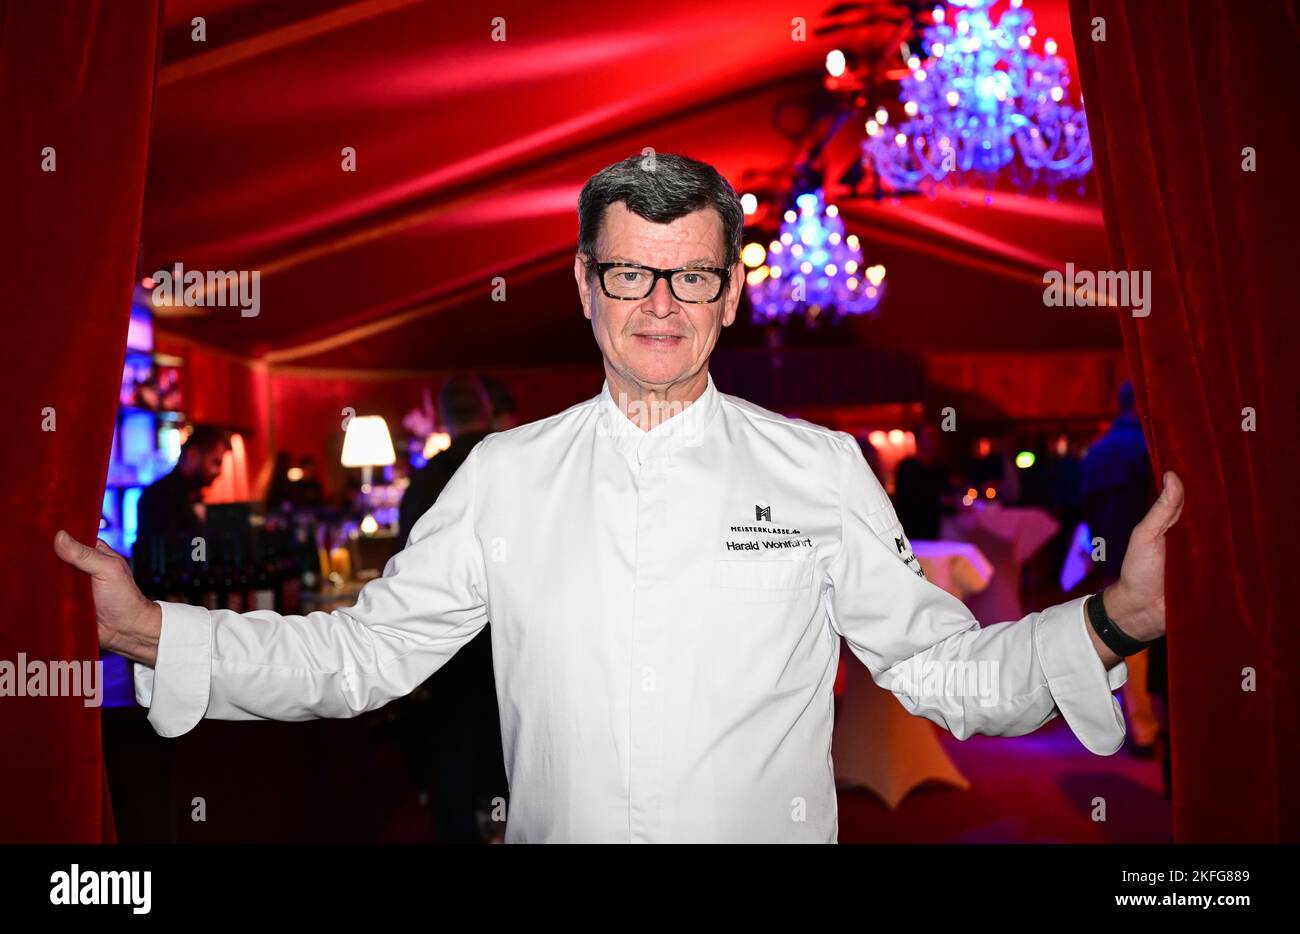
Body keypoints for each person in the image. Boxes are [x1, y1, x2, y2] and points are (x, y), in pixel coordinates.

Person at [57, 153, 1185, 843]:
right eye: (630, 271)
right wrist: (155, 631)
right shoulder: (501, 477)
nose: (660, 301)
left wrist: (1113, 620)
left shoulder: (819, 471)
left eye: (691, 272)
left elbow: (942, 669)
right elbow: (363, 660)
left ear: (731, 294)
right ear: (586, 289)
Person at [395, 374, 508, 842]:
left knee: (454, 762)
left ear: (442, 418)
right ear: (488, 410)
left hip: (445, 650)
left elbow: (403, 570)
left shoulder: (425, 482)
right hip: (511, 643)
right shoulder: (513, 462)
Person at [1082, 381, 1166, 774]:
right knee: (1159, 643)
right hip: (1151, 556)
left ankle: (1139, 726)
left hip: (1112, 555)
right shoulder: (1148, 446)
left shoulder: (1098, 450)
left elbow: (1085, 510)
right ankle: (1158, 725)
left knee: (1127, 642)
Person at [133, 424, 230, 563]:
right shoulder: (161, 496)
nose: (219, 472)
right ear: (193, 455)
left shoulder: (187, 495)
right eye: (216, 462)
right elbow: (175, 556)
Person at [893, 424, 950, 540]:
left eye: (934, 437)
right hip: (909, 533)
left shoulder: (940, 469)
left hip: (934, 532)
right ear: (918, 440)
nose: (933, 441)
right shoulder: (906, 468)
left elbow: (946, 499)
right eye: (928, 437)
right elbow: (907, 501)